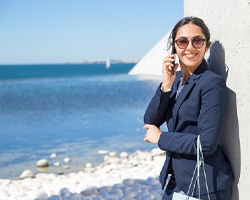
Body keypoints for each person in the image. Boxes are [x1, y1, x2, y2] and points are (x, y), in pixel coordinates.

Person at [143, 16, 234, 200]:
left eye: (197, 41)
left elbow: (206, 144)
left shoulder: (212, 84)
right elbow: (150, 121)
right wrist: (165, 87)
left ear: (206, 46)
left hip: (205, 186)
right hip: (176, 181)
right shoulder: (174, 80)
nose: (190, 47)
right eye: (182, 42)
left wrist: (162, 138)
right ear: (174, 47)